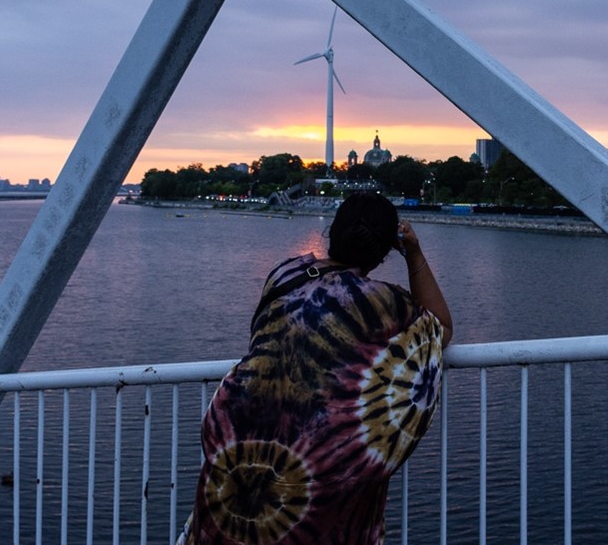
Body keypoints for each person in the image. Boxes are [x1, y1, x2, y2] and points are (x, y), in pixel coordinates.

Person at [178, 192, 453, 545]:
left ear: (331, 232)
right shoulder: (383, 302)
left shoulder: (283, 273)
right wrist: (414, 252)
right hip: (313, 458)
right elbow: (439, 328)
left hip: (238, 430)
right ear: (386, 252)